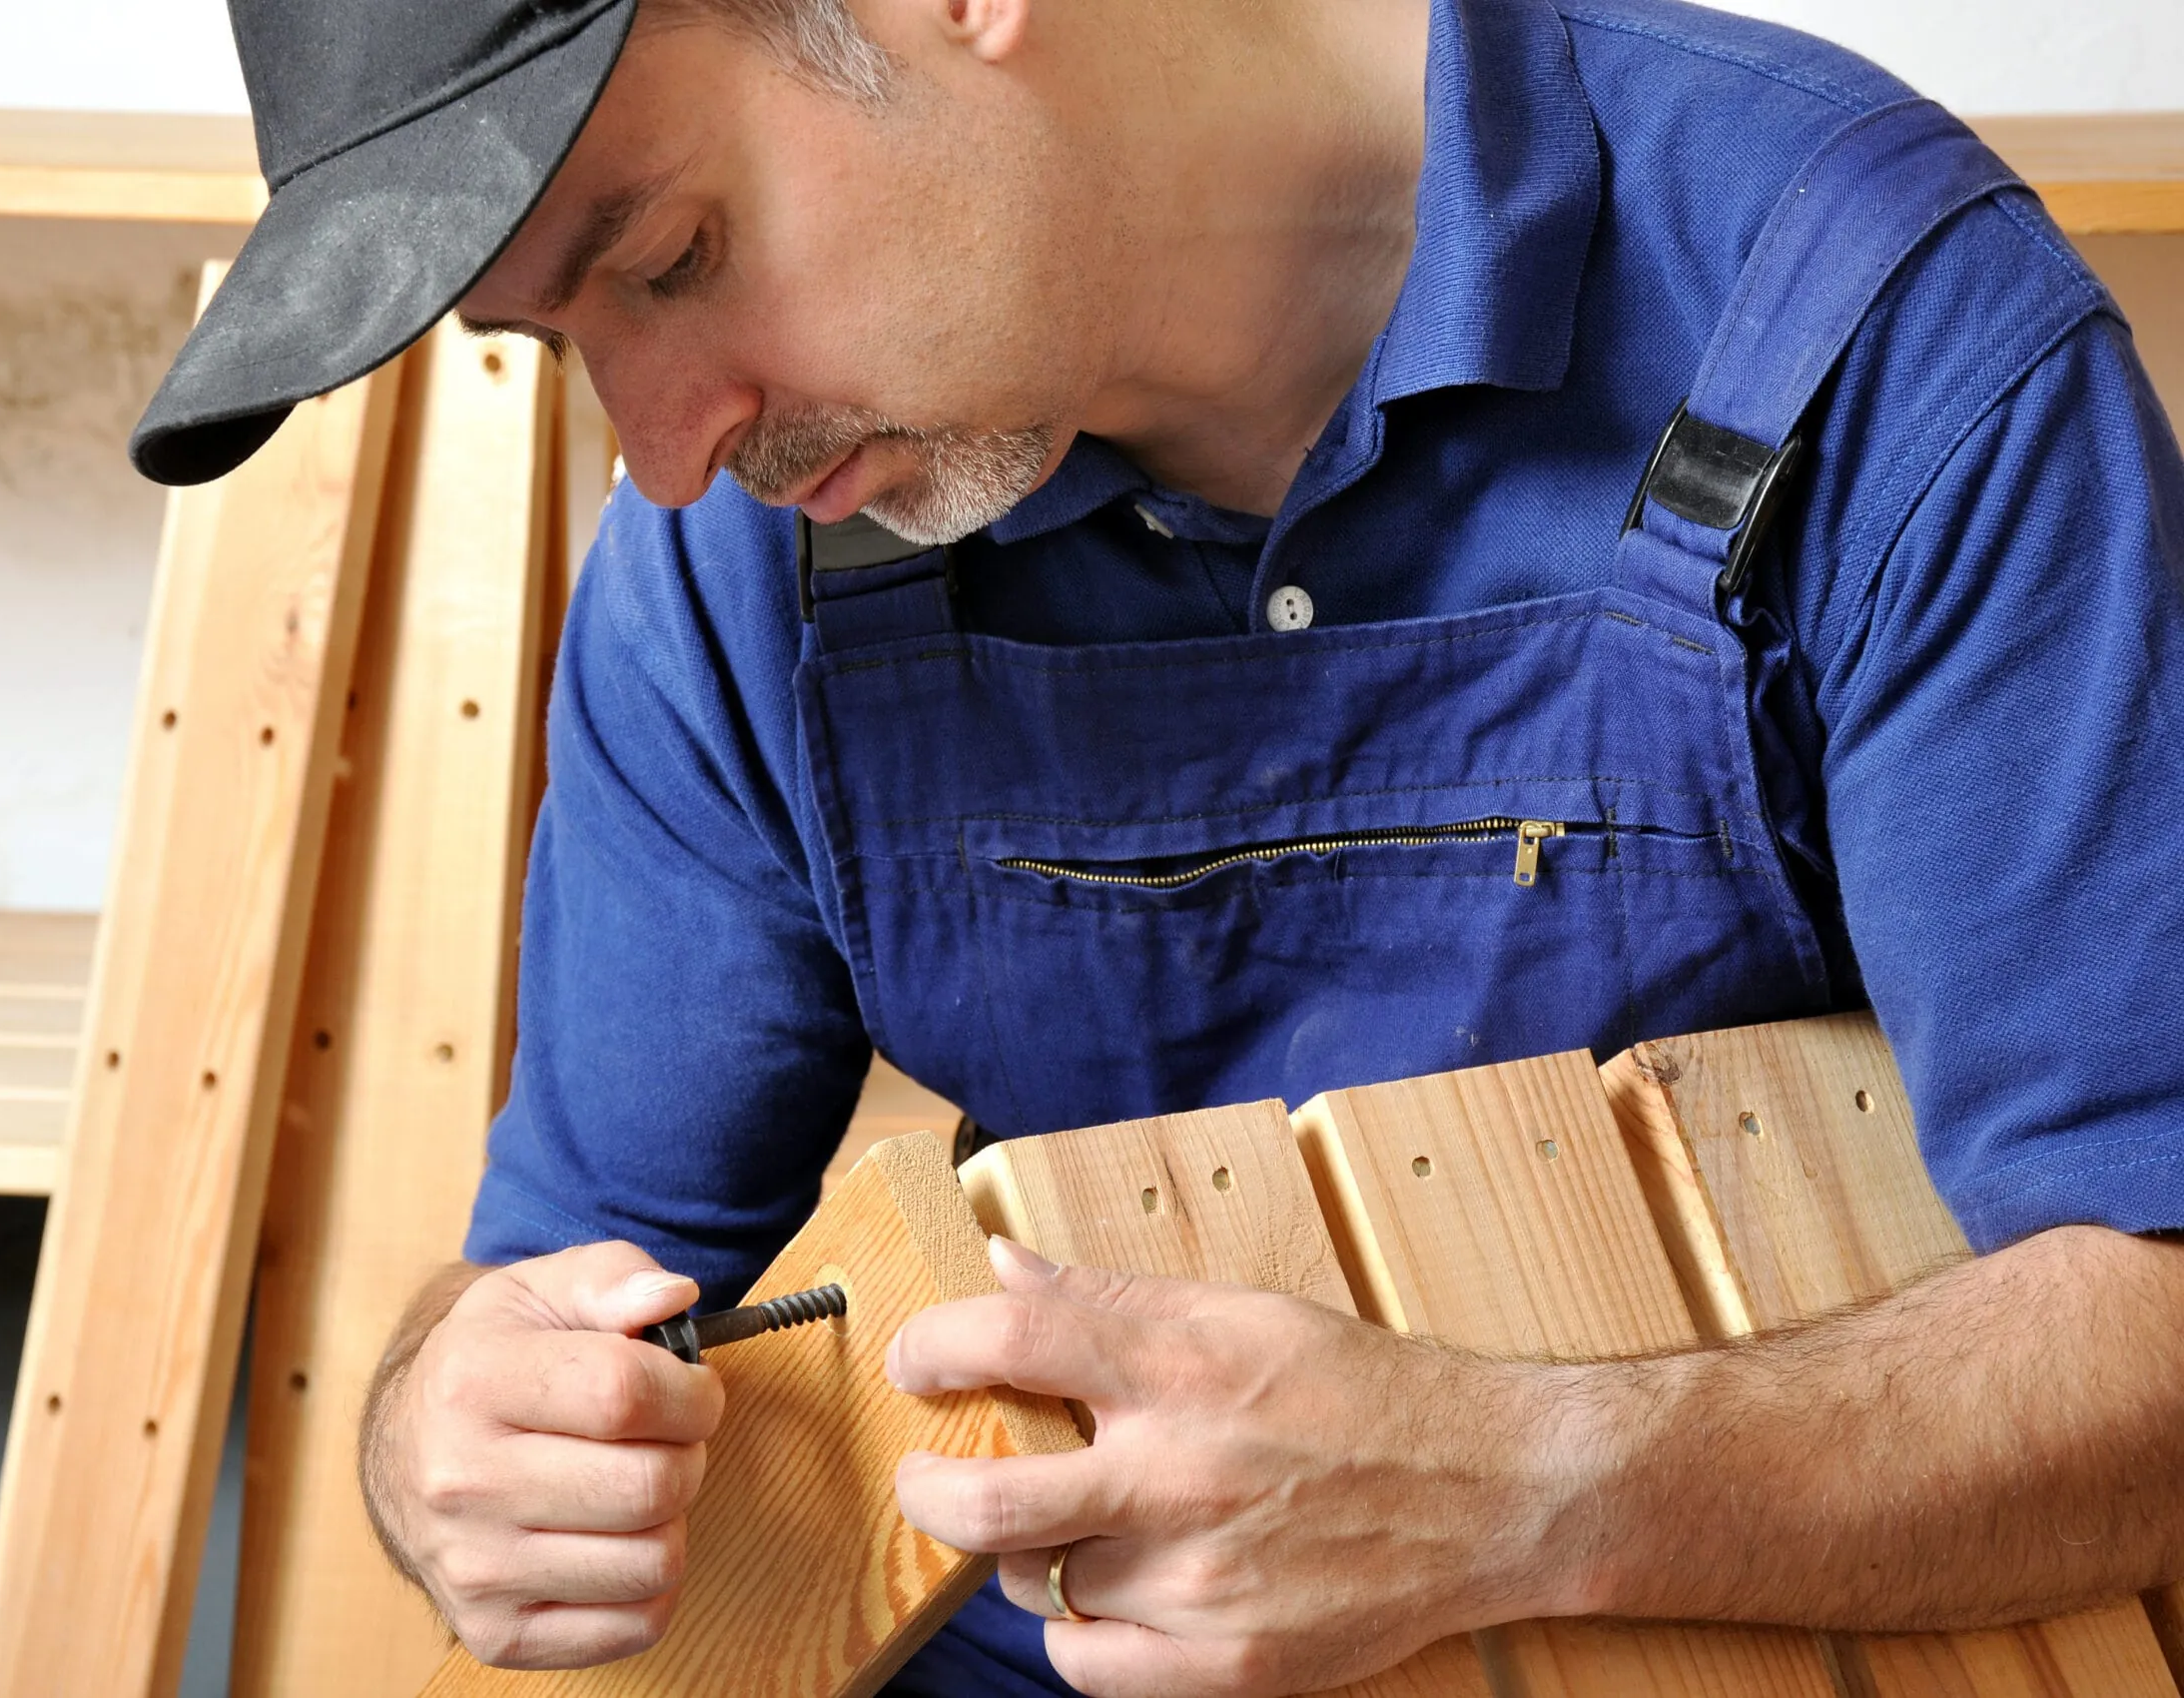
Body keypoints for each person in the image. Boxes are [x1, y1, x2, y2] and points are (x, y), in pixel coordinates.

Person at [130, 0, 2184, 1692]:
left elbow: (2152, 1313)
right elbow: (585, 1281)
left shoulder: (1863, 336)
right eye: (561, 340)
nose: (666, 444)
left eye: (668, 255)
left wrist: (1531, 1485)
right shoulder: (738, 566)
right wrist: (448, 1438)